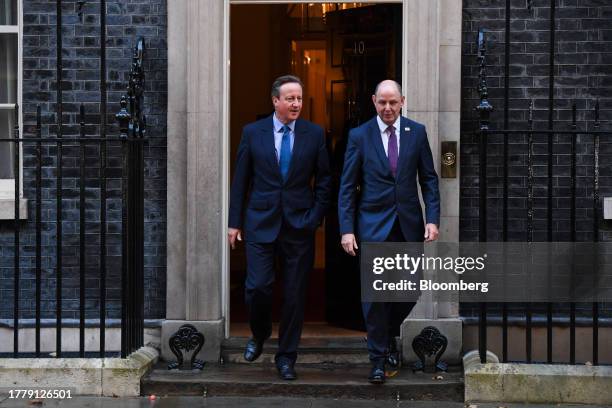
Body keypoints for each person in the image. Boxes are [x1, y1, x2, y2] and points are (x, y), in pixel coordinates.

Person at [228, 75, 331, 380]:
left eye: (299, 98)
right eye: (290, 99)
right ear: (275, 101)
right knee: (257, 287)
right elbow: (240, 180)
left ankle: (286, 357)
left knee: (295, 295)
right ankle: (259, 334)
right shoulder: (252, 132)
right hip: (260, 222)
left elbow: (325, 180)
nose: (296, 103)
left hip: (299, 225)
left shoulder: (314, 135)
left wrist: (314, 217)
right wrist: (234, 223)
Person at [338, 79, 440, 384]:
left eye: (393, 102)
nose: (387, 108)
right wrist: (346, 230)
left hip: (408, 226)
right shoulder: (359, 136)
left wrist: (432, 219)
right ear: (373, 101)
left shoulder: (417, 132)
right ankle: (378, 359)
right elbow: (346, 187)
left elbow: (429, 180)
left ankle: (389, 333)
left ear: (402, 101)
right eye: (382, 102)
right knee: (375, 297)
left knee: (410, 290)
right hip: (372, 226)